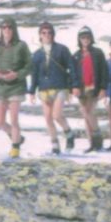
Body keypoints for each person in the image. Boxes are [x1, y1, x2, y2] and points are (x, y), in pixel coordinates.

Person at [29, 22, 78, 155]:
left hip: (60, 86)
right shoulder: (37, 54)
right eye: (44, 33)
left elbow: (72, 68)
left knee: (56, 115)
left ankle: (68, 133)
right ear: (40, 35)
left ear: (53, 34)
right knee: (48, 118)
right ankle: (55, 144)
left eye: (49, 32)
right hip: (44, 89)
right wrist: (32, 91)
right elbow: (34, 73)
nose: (47, 35)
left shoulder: (62, 49)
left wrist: (74, 85)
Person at [0, 18, 31, 158]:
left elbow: (29, 66)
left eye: (9, 27)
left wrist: (17, 74)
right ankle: (18, 138)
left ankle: (15, 149)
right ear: (1, 30)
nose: (6, 30)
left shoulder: (21, 46)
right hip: (0, 87)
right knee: (0, 122)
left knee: (14, 120)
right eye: (4, 27)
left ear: (14, 29)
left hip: (16, 87)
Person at [72, 26, 109, 152]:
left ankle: (97, 138)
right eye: (83, 37)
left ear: (91, 38)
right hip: (81, 88)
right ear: (79, 39)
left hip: (94, 87)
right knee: (85, 114)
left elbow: (104, 71)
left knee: (89, 112)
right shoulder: (76, 55)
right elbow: (74, 74)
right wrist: (74, 87)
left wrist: (103, 88)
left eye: (87, 37)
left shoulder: (97, 53)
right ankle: (91, 142)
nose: (85, 40)